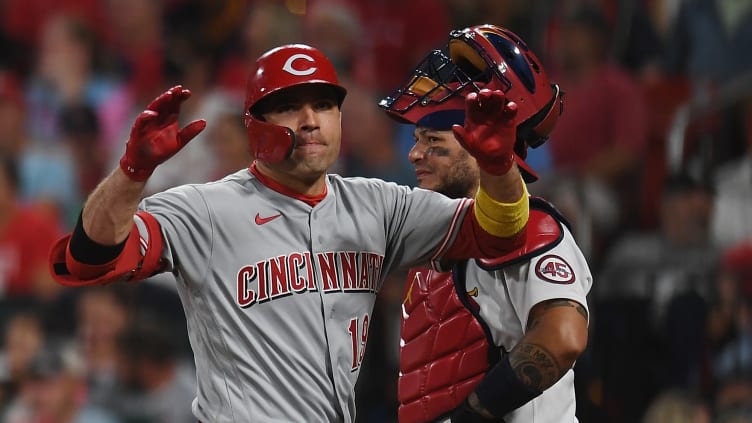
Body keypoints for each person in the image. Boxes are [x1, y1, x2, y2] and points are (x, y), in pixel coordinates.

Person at [48, 42, 533, 422]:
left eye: (323, 104)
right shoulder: (205, 209)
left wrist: (497, 166)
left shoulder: (381, 206)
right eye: (288, 107)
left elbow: (499, 231)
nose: (309, 121)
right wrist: (132, 172)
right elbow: (91, 256)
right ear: (253, 125)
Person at [379, 24, 592, 422]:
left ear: (484, 140)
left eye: (432, 141)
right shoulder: (431, 238)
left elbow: (563, 338)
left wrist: (474, 414)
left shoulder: (533, 228)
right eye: (416, 139)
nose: (415, 154)